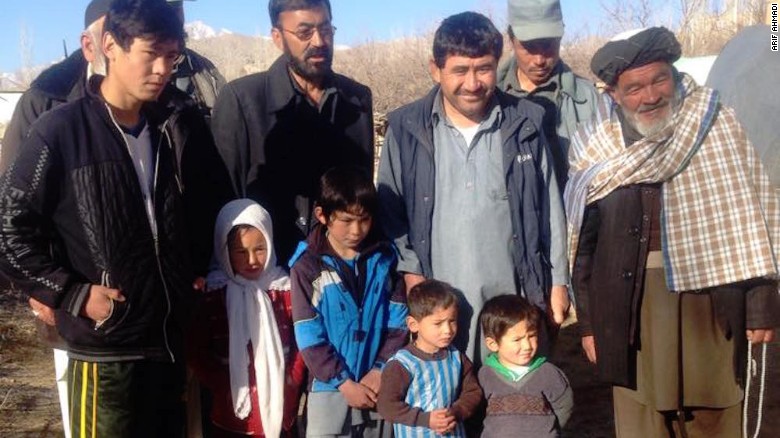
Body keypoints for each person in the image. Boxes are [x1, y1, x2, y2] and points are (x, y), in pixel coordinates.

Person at [0, 0, 223, 435]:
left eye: (172, 56)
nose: (162, 69)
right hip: (104, 353)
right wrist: (71, 294)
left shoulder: (168, 128)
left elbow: (193, 211)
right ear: (111, 46)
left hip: (167, 346)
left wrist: (190, 274)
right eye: (151, 53)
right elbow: (8, 228)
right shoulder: (61, 129)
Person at [566, 27, 780, 437]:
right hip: (630, 305)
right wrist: (591, 325)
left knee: (715, 412)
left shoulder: (715, 122)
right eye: (634, 88)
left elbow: (756, 219)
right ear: (613, 94)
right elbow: (584, 249)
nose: (650, 96)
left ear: (675, 75)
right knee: (643, 416)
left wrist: (761, 304)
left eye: (659, 79)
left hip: (710, 300)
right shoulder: (595, 146)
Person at [376, 11, 569, 363]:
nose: (473, 83)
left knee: (515, 398)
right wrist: (412, 273)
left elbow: (550, 208)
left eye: (483, 68)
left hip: (513, 292)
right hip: (439, 298)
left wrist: (558, 281)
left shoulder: (525, 123)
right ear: (435, 69)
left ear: (498, 64)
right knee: (451, 401)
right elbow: (392, 213)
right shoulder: (406, 129)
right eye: (460, 70)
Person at [1, 2, 111, 437]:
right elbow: (13, 210)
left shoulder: (174, 90)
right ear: (89, 44)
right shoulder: (46, 98)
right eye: (111, 35)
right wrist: (47, 287)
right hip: (74, 307)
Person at [211, 0, 374, 264]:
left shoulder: (356, 99)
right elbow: (223, 199)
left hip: (335, 271)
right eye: (304, 32)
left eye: (326, 29)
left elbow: (362, 190)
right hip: (265, 274)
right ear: (277, 37)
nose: (319, 41)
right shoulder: (242, 100)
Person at [289, 166, 408, 437]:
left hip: (377, 384)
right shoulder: (307, 267)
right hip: (329, 389)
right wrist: (343, 383)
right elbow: (309, 335)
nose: (356, 230)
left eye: (364, 220)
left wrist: (380, 370)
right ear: (322, 215)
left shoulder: (385, 258)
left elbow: (398, 320)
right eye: (346, 220)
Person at [188, 199, 306, 437]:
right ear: (225, 251)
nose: (252, 260)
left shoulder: (284, 290)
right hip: (230, 414)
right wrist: (224, 386)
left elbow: (301, 341)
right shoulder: (215, 295)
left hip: (279, 405)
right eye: (241, 252)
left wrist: (292, 381)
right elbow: (196, 349)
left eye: (260, 249)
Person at [497, 0, 601, 188]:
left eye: (548, 46)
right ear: (511, 40)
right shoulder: (489, 98)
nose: (539, 60)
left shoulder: (591, 99)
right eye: (529, 47)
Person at [1, 0, 110, 171]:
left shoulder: (160, 97)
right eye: (112, 40)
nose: (124, 49)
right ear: (89, 45)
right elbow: (14, 186)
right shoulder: (43, 101)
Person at [377, 280, 483, 437]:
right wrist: (424, 419)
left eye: (452, 321)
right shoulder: (402, 364)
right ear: (413, 325)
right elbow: (387, 406)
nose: (447, 330)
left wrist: (456, 412)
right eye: (438, 323)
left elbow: (473, 392)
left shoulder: (456, 357)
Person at [478, 294, 572, 437]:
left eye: (532, 336)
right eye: (517, 340)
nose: (527, 345)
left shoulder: (548, 373)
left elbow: (564, 406)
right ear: (493, 344)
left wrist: (548, 430)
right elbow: (475, 414)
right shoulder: (484, 376)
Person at [166, 0, 227, 122]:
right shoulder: (129, 72)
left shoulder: (207, 70)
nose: (173, 18)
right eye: (164, 9)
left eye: (177, 8)